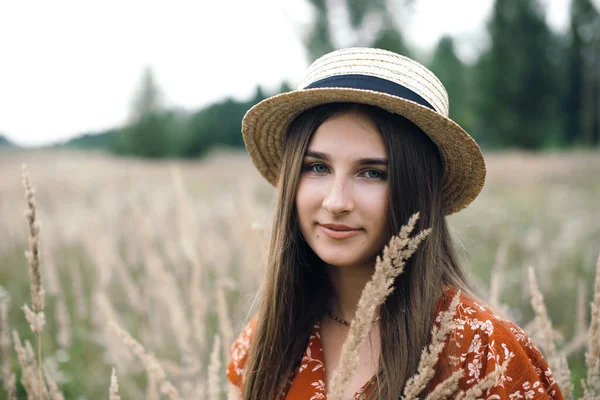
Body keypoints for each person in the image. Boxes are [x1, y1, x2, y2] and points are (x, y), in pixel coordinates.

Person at [226, 48, 564, 399]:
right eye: (318, 167)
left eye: (372, 173)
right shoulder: (264, 344)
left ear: (416, 189)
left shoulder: (481, 351)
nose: (336, 202)